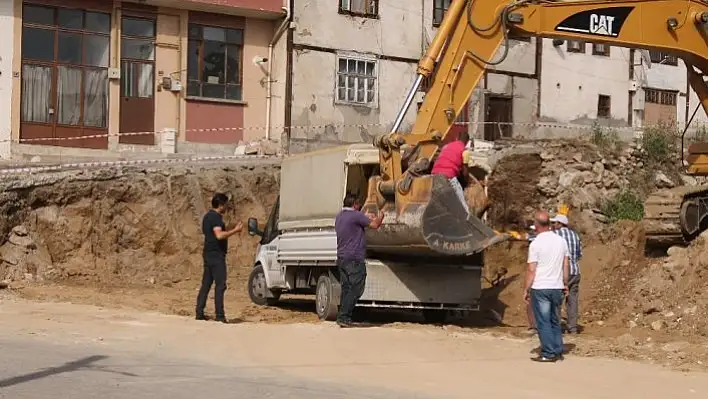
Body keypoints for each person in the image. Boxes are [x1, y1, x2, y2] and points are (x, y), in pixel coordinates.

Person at [523, 210, 570, 362]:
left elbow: (531, 269)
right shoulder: (561, 241)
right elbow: (566, 264)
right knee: (554, 319)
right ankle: (557, 349)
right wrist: (565, 283)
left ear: (536, 225)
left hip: (541, 287)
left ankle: (548, 352)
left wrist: (526, 288)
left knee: (543, 321)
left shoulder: (535, 244)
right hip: (557, 286)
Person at [334, 193, 384, 328]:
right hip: (354, 258)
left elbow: (359, 221)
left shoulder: (340, 216)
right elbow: (375, 225)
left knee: (346, 288)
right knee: (357, 288)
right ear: (355, 204)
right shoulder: (356, 216)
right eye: (359, 204)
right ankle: (345, 316)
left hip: (342, 258)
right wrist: (381, 215)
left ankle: (342, 317)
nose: (360, 205)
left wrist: (364, 216)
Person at [195, 193, 243, 323]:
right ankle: (220, 316)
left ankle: (199, 312)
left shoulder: (207, 217)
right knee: (220, 285)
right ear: (221, 205)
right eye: (226, 204)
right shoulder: (216, 218)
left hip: (208, 253)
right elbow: (219, 235)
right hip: (216, 255)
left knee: (206, 284)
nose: (227, 207)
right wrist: (235, 230)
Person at [551, 213, 583, 334]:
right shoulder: (575, 235)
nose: (553, 225)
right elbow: (580, 254)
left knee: (557, 299)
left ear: (560, 224)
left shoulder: (555, 235)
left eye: (554, 223)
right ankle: (573, 327)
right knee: (572, 300)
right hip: (575, 271)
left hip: (561, 272)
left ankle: (556, 327)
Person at [431, 131, 471, 214]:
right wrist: (466, 183)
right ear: (467, 142)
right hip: (448, 177)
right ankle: (465, 222)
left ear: (457, 138)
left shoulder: (446, 146)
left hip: (434, 176)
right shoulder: (465, 151)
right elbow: (465, 173)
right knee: (463, 207)